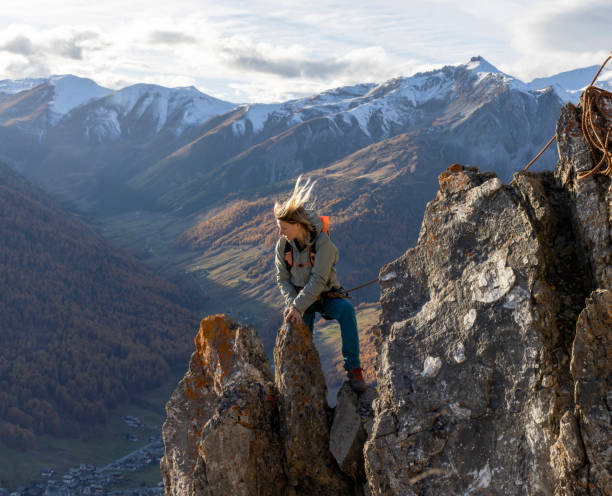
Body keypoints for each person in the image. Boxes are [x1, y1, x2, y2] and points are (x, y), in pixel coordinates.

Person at [274, 176, 366, 393]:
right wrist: (294, 305)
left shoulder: (323, 243)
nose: (280, 233)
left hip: (325, 296)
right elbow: (282, 279)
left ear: (297, 225)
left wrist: (297, 306)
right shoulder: (282, 245)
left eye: (284, 227)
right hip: (300, 300)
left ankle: (353, 369)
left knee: (346, 312)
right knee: (297, 327)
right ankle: (305, 375)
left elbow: (319, 280)